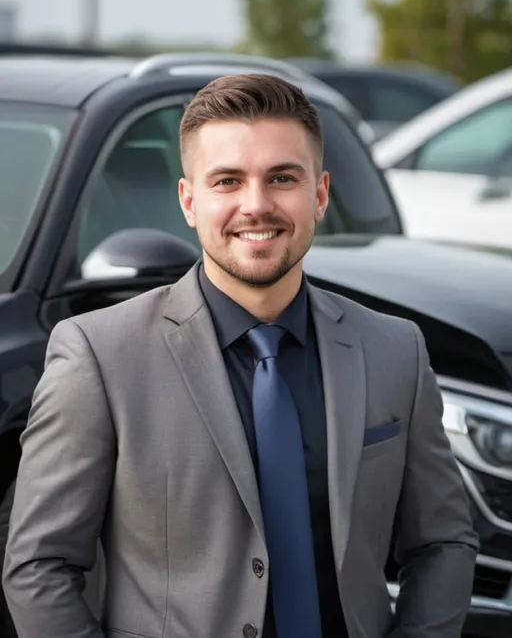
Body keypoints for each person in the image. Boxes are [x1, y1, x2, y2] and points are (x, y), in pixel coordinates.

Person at [3, 73, 478, 638]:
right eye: (227, 180)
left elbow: (443, 540)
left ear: (319, 194)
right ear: (188, 200)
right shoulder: (98, 357)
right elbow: (39, 566)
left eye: (282, 178)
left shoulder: (395, 348)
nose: (256, 205)